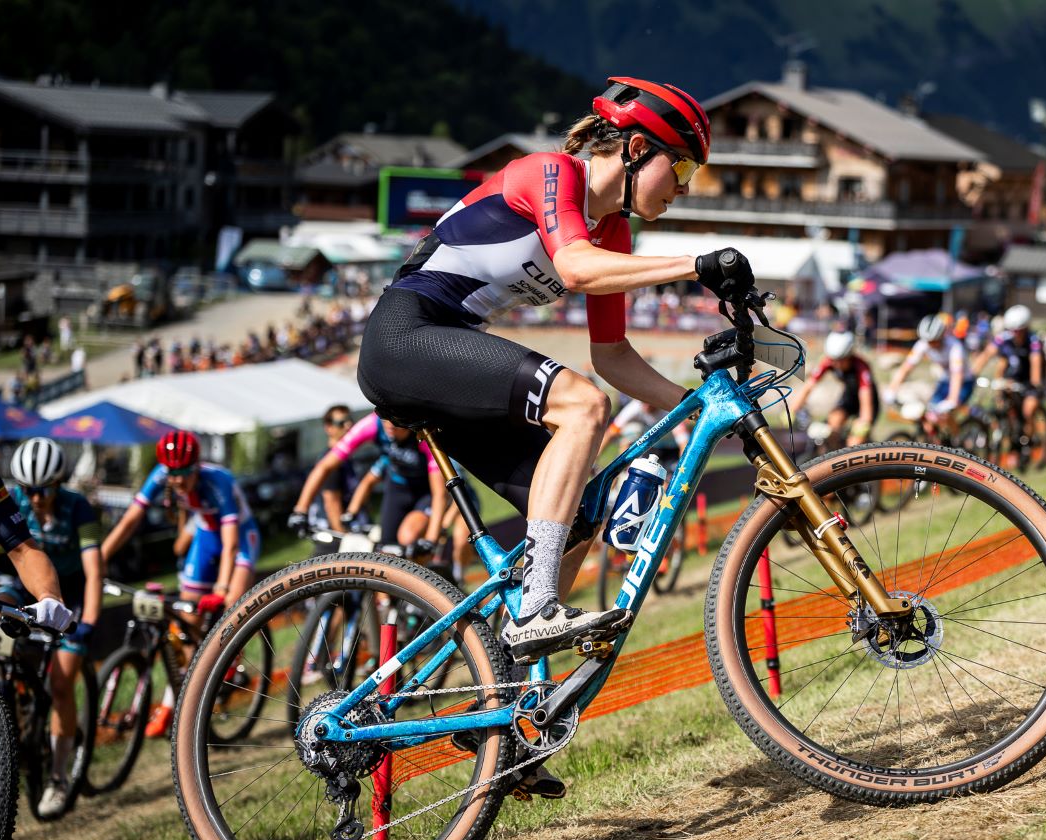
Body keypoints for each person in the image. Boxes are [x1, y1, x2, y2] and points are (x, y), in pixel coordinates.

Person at [350, 76, 747, 672]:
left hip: (448, 353)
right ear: (639, 149)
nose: (685, 188)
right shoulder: (550, 173)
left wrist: (702, 405)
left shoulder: (613, 230)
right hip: (406, 335)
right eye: (684, 168)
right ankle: (535, 607)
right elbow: (577, 269)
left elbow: (611, 355)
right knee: (583, 405)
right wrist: (695, 265)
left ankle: (516, 695)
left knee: (582, 512)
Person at [100, 430, 261, 736]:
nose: (177, 480)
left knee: (232, 607)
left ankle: (231, 659)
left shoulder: (218, 481)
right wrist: (102, 556)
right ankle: (182, 697)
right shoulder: (161, 474)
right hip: (207, 536)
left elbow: (230, 544)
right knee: (188, 620)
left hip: (240, 537)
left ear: (196, 467)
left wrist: (222, 587)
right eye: (172, 474)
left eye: (184, 473)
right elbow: (132, 518)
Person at [0, 439, 90, 817]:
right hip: (17, 586)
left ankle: (57, 777)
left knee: (62, 684)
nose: (35, 498)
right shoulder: (19, 498)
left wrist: (54, 600)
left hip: (71, 592)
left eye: (44, 490)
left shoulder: (77, 507)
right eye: (29, 490)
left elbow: (23, 550)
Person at [291, 414, 446, 554]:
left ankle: (429, 570)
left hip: (426, 492)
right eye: (385, 420)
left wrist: (431, 540)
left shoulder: (422, 433)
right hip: (397, 488)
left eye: (396, 424)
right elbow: (324, 466)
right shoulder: (372, 424)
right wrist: (300, 510)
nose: (389, 426)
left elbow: (439, 493)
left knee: (408, 537)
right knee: (387, 552)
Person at [786, 330, 880, 448]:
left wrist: (864, 422)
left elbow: (865, 398)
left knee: (854, 444)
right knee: (831, 428)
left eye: (841, 360)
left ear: (849, 355)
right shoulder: (829, 361)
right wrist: (792, 410)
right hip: (849, 397)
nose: (836, 364)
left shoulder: (861, 367)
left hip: (868, 401)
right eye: (834, 359)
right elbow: (809, 386)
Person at [886, 312, 970, 438]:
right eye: (928, 341)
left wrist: (952, 399)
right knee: (930, 415)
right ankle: (936, 441)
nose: (930, 344)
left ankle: (957, 439)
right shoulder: (923, 344)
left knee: (946, 415)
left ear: (941, 337)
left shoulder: (955, 347)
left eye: (934, 341)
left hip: (964, 382)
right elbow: (906, 368)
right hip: (945, 380)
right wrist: (892, 389)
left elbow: (956, 375)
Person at [306, 405, 359, 556]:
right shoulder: (331, 461)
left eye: (350, 420)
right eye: (341, 423)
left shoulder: (344, 458)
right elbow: (331, 503)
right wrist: (345, 541)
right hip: (333, 539)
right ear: (328, 428)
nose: (348, 426)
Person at [992, 306, 1046, 439]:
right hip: (1014, 379)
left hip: (1030, 380)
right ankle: (1009, 432)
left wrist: (1035, 383)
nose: (1015, 334)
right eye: (1012, 330)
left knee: (1028, 410)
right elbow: (991, 355)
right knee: (1001, 404)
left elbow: (1035, 362)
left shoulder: (1034, 340)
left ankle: (1028, 438)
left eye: (1018, 331)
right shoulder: (1005, 339)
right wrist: (972, 373)